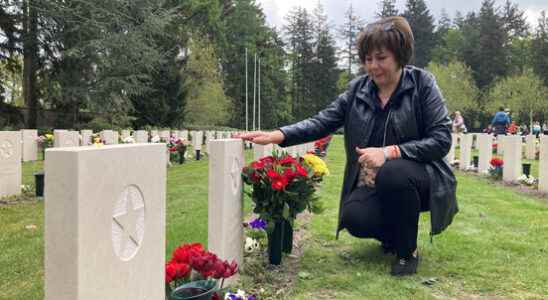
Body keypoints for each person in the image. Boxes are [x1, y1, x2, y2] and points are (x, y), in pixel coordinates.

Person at [235, 16, 457, 277]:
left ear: (400, 55)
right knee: (354, 217)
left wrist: (389, 153)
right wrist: (278, 135)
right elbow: (322, 121)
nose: (372, 66)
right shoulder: (357, 90)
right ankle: (394, 236)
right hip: (372, 181)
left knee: (393, 173)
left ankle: (407, 252)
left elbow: (441, 138)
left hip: (420, 177)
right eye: (367, 59)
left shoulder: (422, 84)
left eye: (381, 58)